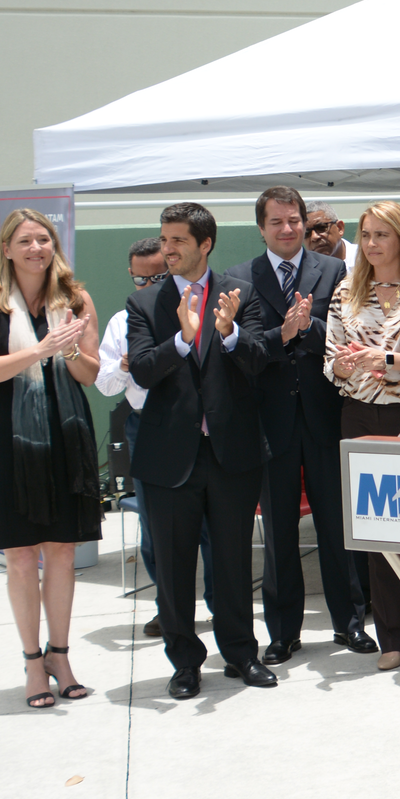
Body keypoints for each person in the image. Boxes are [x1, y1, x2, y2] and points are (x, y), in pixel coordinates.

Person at [126, 202, 275, 700]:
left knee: (233, 562)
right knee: (172, 567)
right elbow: (144, 370)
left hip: (231, 454)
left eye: (177, 241)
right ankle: (185, 663)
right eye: (164, 240)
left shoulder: (241, 296)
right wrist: (182, 340)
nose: (167, 250)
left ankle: (241, 654)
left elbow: (259, 361)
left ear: (204, 244)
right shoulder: (144, 304)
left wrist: (229, 331)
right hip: (169, 460)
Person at [0, 208, 103, 709]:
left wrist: (66, 352)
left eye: (43, 239)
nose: (36, 248)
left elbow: (89, 375)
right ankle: (31, 662)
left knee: (62, 549)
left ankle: (60, 656)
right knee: (20, 554)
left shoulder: (75, 299)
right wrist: (40, 349)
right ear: (7, 249)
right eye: (25, 241)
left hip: (65, 433)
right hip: (7, 437)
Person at [227, 186, 374, 663]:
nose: (288, 229)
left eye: (295, 220)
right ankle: (283, 632)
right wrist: (283, 333)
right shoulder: (241, 279)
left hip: (325, 415)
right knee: (280, 534)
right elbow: (244, 352)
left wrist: (305, 331)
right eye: (277, 222)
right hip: (271, 422)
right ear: (261, 227)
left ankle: (349, 623)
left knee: (337, 526)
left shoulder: (333, 270)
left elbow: (342, 336)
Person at [324, 200, 400, 672]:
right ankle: (393, 635)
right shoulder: (345, 290)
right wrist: (345, 366)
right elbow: (329, 363)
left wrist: (387, 366)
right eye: (366, 235)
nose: (371, 245)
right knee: (379, 531)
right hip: (359, 417)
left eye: (381, 235)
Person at [95, 236, 215, 638]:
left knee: (212, 528)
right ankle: (170, 610)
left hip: (199, 424)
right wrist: (129, 367)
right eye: (139, 279)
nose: (148, 286)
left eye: (158, 276)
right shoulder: (122, 320)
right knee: (156, 526)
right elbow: (106, 386)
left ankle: (220, 606)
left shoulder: (201, 307)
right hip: (148, 426)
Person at [304, 204, 357, 271]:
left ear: (339, 228)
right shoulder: (302, 271)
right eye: (306, 233)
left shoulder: (365, 259)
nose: (314, 237)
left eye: (321, 227)